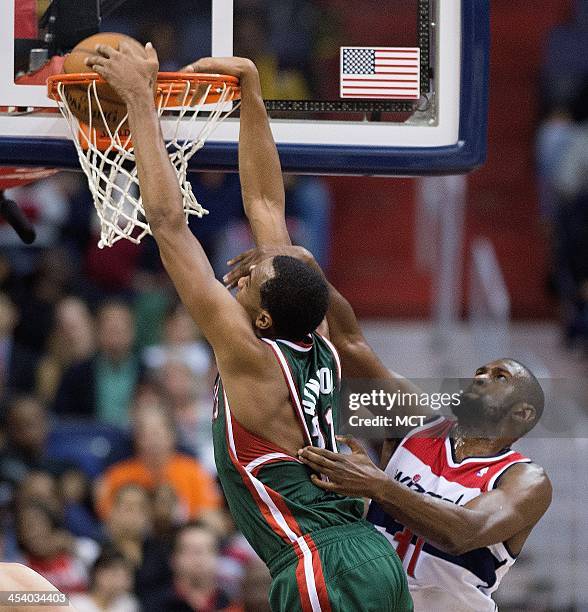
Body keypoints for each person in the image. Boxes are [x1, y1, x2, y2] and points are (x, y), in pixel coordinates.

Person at [86, 46, 411, 611]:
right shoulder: (317, 340)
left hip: (319, 562)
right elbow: (265, 202)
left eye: (250, 274)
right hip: (370, 557)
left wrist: (141, 100)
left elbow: (167, 224)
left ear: (260, 317)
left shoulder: (248, 353)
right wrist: (252, 98)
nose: (242, 265)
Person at [225, 239, 553, 609]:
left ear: (522, 414)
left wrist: (380, 486)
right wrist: (310, 267)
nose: (479, 377)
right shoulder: (416, 422)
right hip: (376, 598)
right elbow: (351, 347)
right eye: (480, 370)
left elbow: (465, 532)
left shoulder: (525, 479)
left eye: (499, 378)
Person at [95, 405, 221, 523]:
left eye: (157, 433)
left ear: (172, 435)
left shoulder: (194, 472)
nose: (153, 441)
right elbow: (107, 515)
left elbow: (211, 515)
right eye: (146, 434)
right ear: (137, 439)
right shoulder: (119, 475)